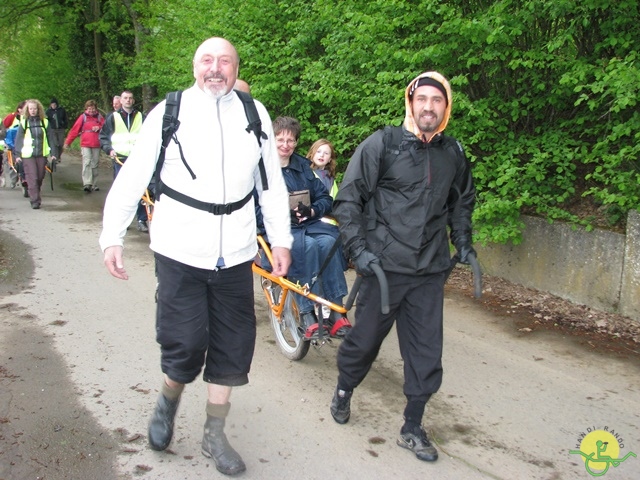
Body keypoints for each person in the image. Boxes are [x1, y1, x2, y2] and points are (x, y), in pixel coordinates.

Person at [99, 37, 292, 476]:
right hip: (179, 248)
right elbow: (133, 176)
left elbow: (271, 186)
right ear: (194, 66)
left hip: (237, 251)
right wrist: (111, 235)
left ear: (236, 67)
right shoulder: (169, 112)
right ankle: (169, 398)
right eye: (207, 60)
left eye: (225, 61)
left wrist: (281, 240)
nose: (216, 68)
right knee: (184, 343)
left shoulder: (253, 113)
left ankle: (214, 432)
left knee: (233, 346)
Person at [329, 72, 476, 463]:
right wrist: (359, 250)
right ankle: (344, 389)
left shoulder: (453, 153)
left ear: (446, 107)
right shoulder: (384, 144)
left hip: (429, 269)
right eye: (422, 98)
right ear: (410, 102)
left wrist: (462, 241)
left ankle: (413, 425)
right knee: (363, 342)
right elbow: (348, 200)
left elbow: (462, 202)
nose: (429, 106)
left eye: (437, 100)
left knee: (426, 351)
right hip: (383, 269)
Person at [263, 116, 349, 337]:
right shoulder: (261, 168)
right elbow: (253, 209)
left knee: (329, 242)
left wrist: (312, 211)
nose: (285, 145)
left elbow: (324, 197)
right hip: (279, 232)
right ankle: (308, 312)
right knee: (307, 246)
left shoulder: (302, 165)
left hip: (308, 224)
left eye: (290, 140)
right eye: (280, 139)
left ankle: (337, 311)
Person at [100, 90, 149, 231]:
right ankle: (122, 220)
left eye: (130, 98)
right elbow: (103, 136)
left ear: (133, 101)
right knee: (122, 190)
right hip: (120, 158)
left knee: (141, 189)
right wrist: (109, 149)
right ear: (120, 101)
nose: (128, 100)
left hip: (137, 158)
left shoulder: (141, 116)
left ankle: (141, 219)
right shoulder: (113, 117)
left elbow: (149, 136)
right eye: (125, 98)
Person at [14, 99, 58, 209]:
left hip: (41, 154)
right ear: (27, 110)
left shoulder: (45, 122)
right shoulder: (24, 122)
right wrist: (17, 155)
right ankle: (35, 200)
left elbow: (51, 139)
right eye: (31, 109)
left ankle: (34, 193)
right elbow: (19, 140)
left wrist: (53, 153)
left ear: (39, 110)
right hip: (27, 155)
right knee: (32, 178)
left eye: (35, 109)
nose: (33, 111)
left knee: (40, 177)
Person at [64, 100, 105, 192]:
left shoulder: (99, 117)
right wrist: (68, 142)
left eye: (93, 108)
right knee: (87, 162)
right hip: (85, 144)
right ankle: (87, 183)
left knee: (95, 163)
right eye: (89, 109)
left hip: (96, 144)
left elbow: (106, 127)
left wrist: (99, 128)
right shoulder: (83, 117)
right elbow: (75, 130)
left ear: (96, 108)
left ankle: (94, 184)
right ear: (86, 109)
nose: (91, 111)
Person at [2, 101, 27, 190]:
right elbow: (3, 128)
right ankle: (13, 180)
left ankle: (25, 180)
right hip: (12, 143)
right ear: (19, 109)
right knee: (12, 163)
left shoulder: (30, 118)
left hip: (26, 144)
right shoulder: (11, 117)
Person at [45, 97, 69, 162]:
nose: (53, 106)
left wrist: (65, 125)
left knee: (61, 144)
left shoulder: (61, 110)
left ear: (57, 104)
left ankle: (58, 156)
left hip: (61, 129)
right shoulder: (48, 111)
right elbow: (46, 120)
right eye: (52, 105)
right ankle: (54, 157)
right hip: (52, 129)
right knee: (55, 143)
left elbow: (65, 118)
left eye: (55, 105)